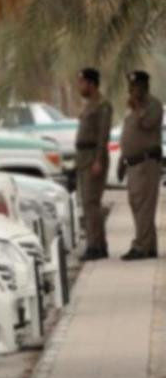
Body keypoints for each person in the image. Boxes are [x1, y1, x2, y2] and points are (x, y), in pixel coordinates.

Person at [119, 70, 163, 260]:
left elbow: (147, 124)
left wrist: (137, 108)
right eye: (130, 86)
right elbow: (129, 133)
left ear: (145, 86)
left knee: (144, 206)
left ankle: (141, 246)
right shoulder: (132, 107)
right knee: (137, 205)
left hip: (146, 163)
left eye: (135, 86)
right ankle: (149, 246)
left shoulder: (153, 105)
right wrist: (122, 160)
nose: (131, 90)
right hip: (133, 164)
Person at [75, 68, 113, 261]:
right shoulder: (88, 104)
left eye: (82, 82)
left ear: (91, 83)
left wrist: (98, 160)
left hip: (93, 157)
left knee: (91, 203)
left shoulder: (102, 105)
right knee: (88, 203)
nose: (79, 86)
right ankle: (100, 245)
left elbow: (103, 136)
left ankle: (94, 246)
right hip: (83, 157)